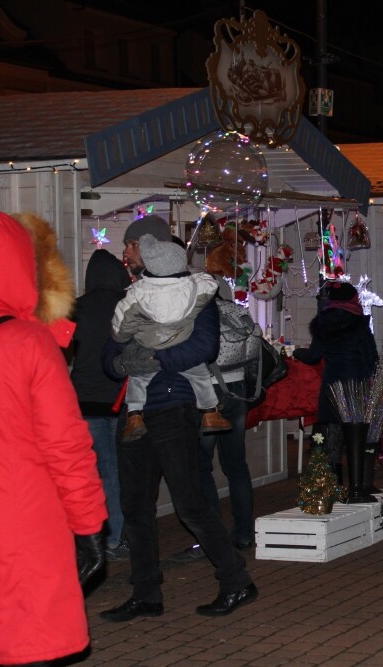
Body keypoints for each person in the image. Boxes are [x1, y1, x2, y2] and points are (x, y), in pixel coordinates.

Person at [100, 215, 257, 622]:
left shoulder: (197, 297)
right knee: (135, 506)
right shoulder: (133, 297)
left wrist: (154, 358)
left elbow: (204, 347)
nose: (130, 255)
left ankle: (236, 582)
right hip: (135, 412)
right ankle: (147, 593)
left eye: (134, 249)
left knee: (191, 504)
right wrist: (120, 363)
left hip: (174, 405)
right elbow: (110, 349)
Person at [0, 211, 107, 665]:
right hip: (23, 527)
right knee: (26, 643)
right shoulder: (26, 342)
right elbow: (66, 447)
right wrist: (89, 525)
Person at [112, 233, 231, 442]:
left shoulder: (137, 293)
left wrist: (122, 337)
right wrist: (199, 276)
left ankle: (134, 416)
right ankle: (210, 413)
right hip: (180, 340)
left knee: (138, 380)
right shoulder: (195, 289)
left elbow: (121, 326)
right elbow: (210, 286)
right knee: (201, 375)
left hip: (147, 344)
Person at [175, 277, 260, 562]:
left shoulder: (197, 314)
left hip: (206, 393)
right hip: (236, 390)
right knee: (236, 465)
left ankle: (213, 536)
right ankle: (245, 532)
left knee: (201, 466)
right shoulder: (238, 312)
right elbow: (254, 353)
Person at [70, 248, 132, 561]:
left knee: (94, 473)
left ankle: (97, 534)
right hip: (121, 400)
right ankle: (116, 536)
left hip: (84, 400)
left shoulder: (76, 309)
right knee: (120, 472)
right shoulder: (127, 307)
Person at [292, 280, 378, 501]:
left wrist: (296, 353)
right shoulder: (359, 324)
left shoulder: (323, 323)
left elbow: (313, 357)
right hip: (356, 388)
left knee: (331, 438)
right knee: (356, 438)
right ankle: (357, 488)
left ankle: (330, 488)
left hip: (332, 386)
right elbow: (372, 359)